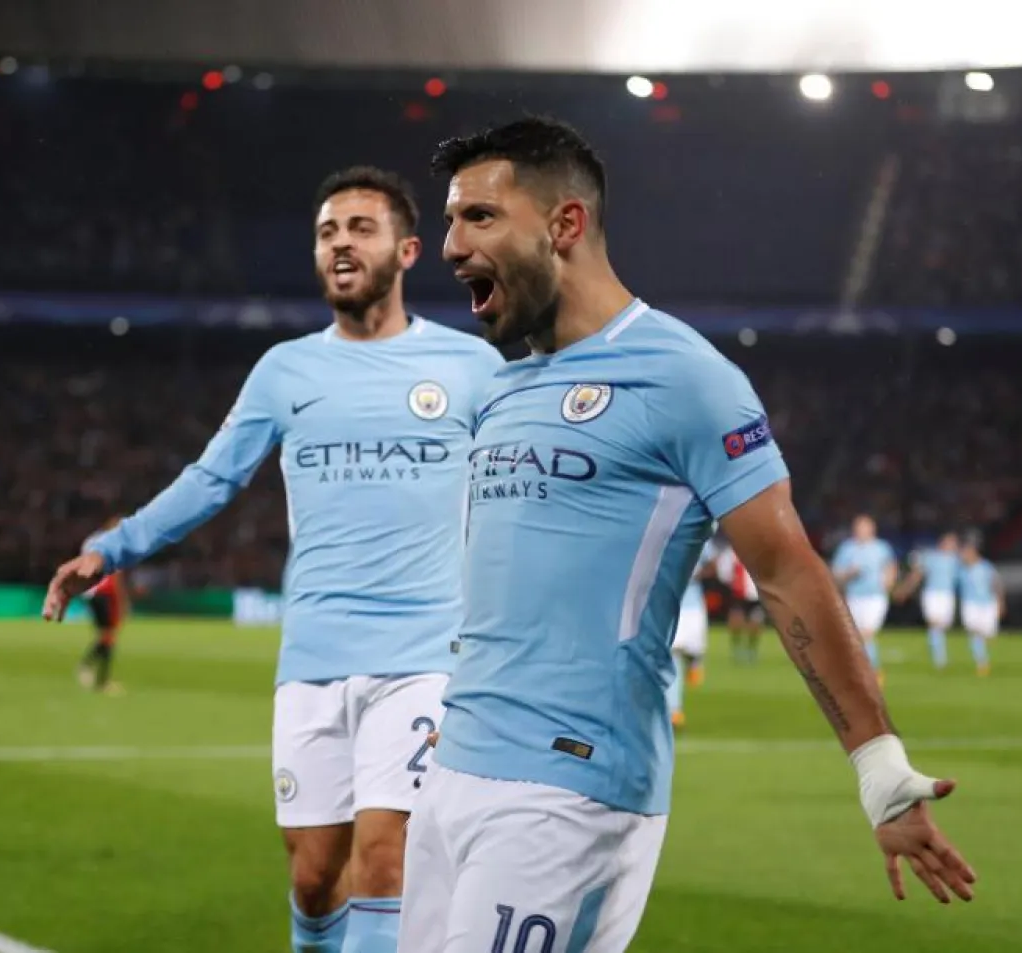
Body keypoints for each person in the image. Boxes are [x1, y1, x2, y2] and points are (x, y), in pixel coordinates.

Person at [399, 117, 975, 953]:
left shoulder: (685, 377)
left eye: (479, 217)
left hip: (568, 789)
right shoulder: (500, 388)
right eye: (450, 220)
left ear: (566, 224)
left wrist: (879, 767)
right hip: (453, 775)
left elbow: (787, 571)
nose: (451, 245)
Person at [41, 166, 505, 953]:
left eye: (360, 228)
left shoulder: (472, 369)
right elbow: (211, 478)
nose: (340, 244)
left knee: (386, 856)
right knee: (314, 874)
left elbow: (523, 493)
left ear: (408, 250)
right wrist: (110, 548)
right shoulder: (285, 371)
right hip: (315, 654)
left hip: (427, 654)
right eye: (328, 233)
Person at [831, 515, 898, 686]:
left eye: (864, 527)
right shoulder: (847, 548)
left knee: (866, 633)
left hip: (875, 597)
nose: (861, 530)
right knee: (857, 637)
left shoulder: (881, 548)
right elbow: (836, 574)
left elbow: (891, 565)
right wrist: (848, 574)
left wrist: (889, 582)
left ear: (872, 528)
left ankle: (873, 672)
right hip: (854, 596)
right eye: (858, 527)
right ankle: (865, 672)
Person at [76, 515, 130, 695]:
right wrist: (122, 601)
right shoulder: (113, 543)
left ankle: (89, 668)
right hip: (103, 593)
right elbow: (115, 576)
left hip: (90, 592)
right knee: (108, 635)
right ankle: (100, 679)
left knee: (105, 635)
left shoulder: (91, 540)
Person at [895, 532, 961, 670]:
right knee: (934, 623)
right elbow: (917, 575)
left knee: (943, 625)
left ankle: (937, 647)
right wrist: (905, 589)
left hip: (947, 595)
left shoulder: (956, 561)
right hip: (932, 594)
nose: (951, 545)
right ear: (942, 543)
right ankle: (939, 659)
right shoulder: (931, 557)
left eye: (954, 543)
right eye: (949, 542)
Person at [666, 546, 714, 730]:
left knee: (693, 650)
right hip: (671, 605)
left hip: (693, 606)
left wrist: (695, 575)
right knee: (673, 654)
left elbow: (712, 565)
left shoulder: (700, 536)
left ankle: (695, 662)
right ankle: (674, 711)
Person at [955, 537, 1003, 677]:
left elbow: (996, 584)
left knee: (988, 634)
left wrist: (1000, 603)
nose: (964, 555)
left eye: (966, 552)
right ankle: (982, 663)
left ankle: (983, 657)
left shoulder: (986, 567)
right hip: (970, 604)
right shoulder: (961, 570)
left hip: (987, 604)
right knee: (974, 632)